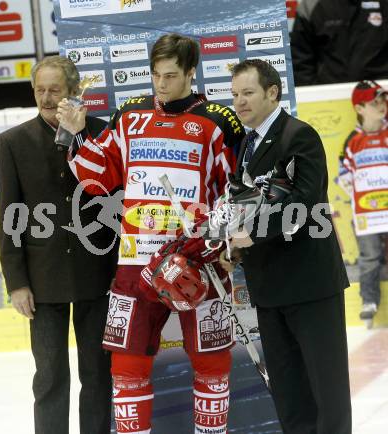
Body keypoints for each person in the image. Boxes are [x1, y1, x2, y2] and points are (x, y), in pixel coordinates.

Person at [57, 33, 244, 434]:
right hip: (135, 263)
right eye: (156, 75)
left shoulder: (218, 122)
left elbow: (238, 191)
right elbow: (99, 179)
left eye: (171, 76)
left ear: (191, 73)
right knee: (126, 365)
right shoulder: (130, 114)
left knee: (212, 363)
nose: (161, 84)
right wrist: (77, 134)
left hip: (198, 262)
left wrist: (217, 242)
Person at [219, 59, 352, 433]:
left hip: (311, 286)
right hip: (269, 288)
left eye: (248, 93)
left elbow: (304, 203)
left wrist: (250, 235)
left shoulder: (299, 135)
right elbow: (245, 205)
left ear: (272, 92)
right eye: (235, 95)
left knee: (328, 392)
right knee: (289, 394)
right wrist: (236, 248)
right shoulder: (246, 144)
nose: (239, 102)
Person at [0, 55, 117, 434]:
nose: (47, 98)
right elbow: (10, 216)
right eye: (40, 90)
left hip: (96, 274)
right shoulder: (12, 142)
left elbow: (114, 196)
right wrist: (16, 282)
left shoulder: (100, 133)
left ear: (73, 92)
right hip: (42, 279)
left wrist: (78, 135)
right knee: (48, 376)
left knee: (97, 373)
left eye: (55, 90)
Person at [338, 80, 388, 326]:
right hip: (367, 214)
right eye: (374, 101)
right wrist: (353, 187)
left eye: (383, 99)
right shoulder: (352, 141)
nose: (382, 105)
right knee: (369, 257)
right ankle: (369, 300)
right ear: (359, 108)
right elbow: (343, 173)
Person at [290, 0, 388, 86]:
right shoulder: (311, 5)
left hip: (380, 96)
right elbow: (300, 61)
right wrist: (314, 94)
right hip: (329, 97)